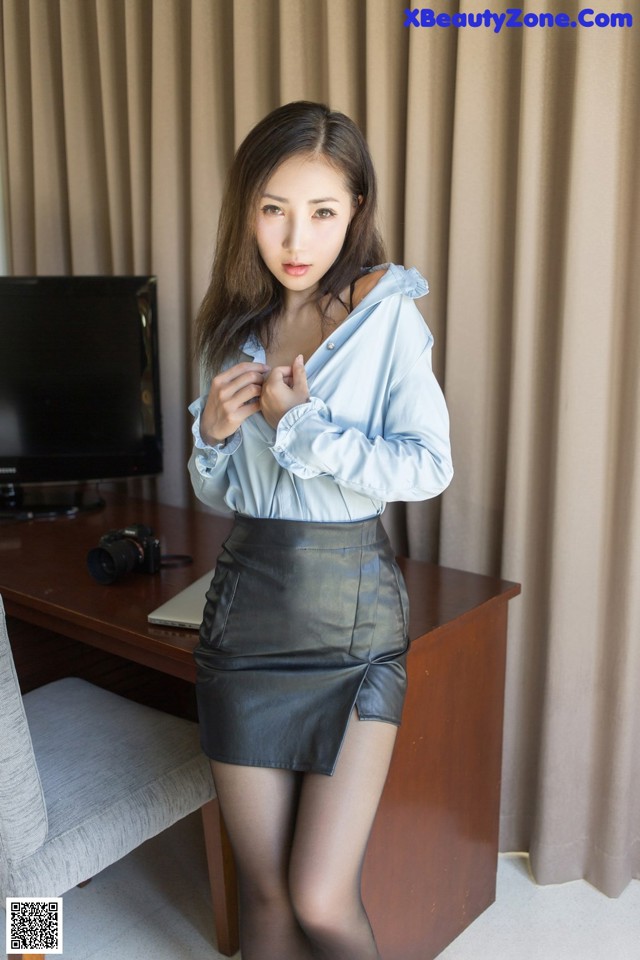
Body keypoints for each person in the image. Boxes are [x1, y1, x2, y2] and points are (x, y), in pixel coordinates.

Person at [188, 100, 453, 960]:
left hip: (354, 630)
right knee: (264, 895)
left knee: (319, 896)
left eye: (322, 211)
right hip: (244, 625)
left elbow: (427, 467)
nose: (296, 237)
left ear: (356, 212)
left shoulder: (388, 322)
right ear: (246, 213)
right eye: (273, 210)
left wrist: (305, 429)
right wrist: (213, 439)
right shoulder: (233, 330)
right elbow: (228, 491)